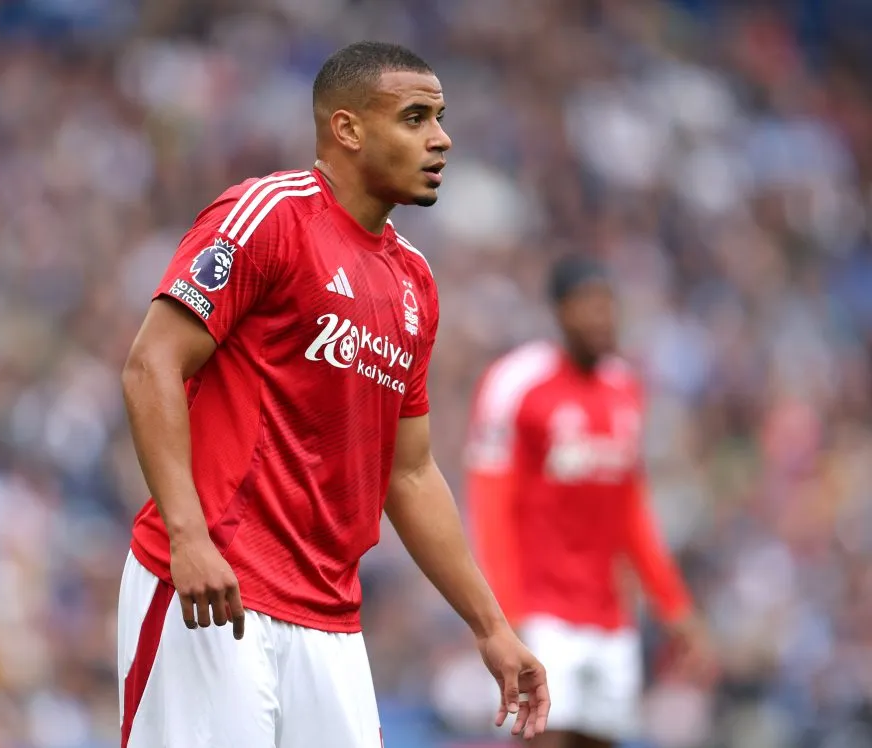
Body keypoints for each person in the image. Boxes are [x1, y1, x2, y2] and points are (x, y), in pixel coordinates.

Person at [116, 40, 550, 748]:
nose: (441, 139)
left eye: (440, 118)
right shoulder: (269, 216)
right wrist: (189, 539)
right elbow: (149, 366)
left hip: (330, 619)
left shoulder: (414, 283)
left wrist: (491, 626)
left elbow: (408, 473)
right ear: (346, 129)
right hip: (216, 588)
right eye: (415, 118)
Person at [464, 254, 710, 748]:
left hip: (609, 616)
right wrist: (504, 615)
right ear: (559, 311)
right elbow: (490, 507)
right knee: (544, 738)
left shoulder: (624, 389)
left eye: (609, 304)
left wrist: (673, 605)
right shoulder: (517, 382)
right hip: (540, 608)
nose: (603, 317)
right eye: (589, 305)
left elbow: (631, 512)